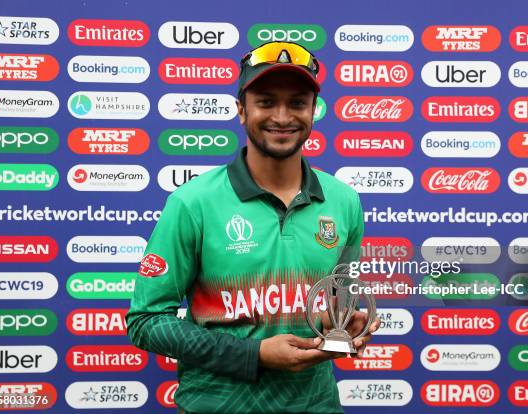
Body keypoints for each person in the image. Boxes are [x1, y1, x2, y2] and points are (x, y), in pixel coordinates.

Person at [126, 41, 380, 414]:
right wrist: (254, 354)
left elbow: (337, 295)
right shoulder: (193, 202)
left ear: (313, 111)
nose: (282, 116)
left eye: (297, 102)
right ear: (241, 111)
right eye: (265, 102)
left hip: (316, 405)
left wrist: (345, 321)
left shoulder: (344, 201)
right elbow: (146, 322)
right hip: (217, 406)